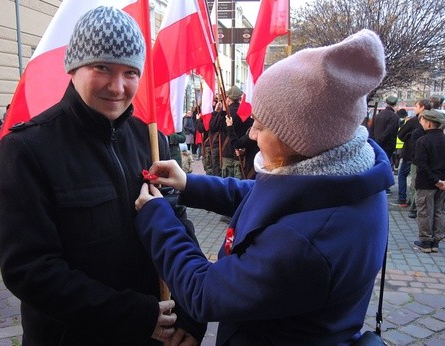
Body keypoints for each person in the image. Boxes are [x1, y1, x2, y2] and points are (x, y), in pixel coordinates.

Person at [134, 29, 393, 344]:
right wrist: (189, 183)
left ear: (298, 138)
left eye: (261, 124)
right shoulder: (344, 173)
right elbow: (263, 197)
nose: (253, 135)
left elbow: (203, 292)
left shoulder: (306, 244)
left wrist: (156, 216)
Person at [0, 7, 205, 345]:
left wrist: (192, 314)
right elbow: (30, 270)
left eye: (130, 72)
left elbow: (178, 226)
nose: (117, 86)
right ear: (74, 67)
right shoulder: (28, 148)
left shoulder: (151, 140)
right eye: (102, 67)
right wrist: (135, 316)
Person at [412, 110, 445, 253]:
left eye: (423, 121)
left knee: (425, 211)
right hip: (442, 183)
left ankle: (426, 241)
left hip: (427, 182)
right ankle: (436, 242)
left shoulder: (423, 141)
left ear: (430, 123)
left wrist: (435, 180)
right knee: (439, 211)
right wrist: (441, 181)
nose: (422, 123)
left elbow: (422, 163)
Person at [398, 99, 432, 215]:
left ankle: (406, 201)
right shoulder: (433, 120)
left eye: (416, 106)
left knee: (407, 177)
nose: (414, 108)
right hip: (427, 156)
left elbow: (401, 134)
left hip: (411, 155)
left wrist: (408, 136)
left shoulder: (414, 121)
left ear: (422, 107)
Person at [369, 95, 399, 193]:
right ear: (395, 104)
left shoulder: (378, 115)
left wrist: (374, 141)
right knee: (386, 164)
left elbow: (371, 129)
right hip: (387, 145)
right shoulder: (394, 116)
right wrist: (381, 139)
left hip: (377, 144)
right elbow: (389, 131)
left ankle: (376, 184)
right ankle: (384, 186)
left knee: (377, 163)